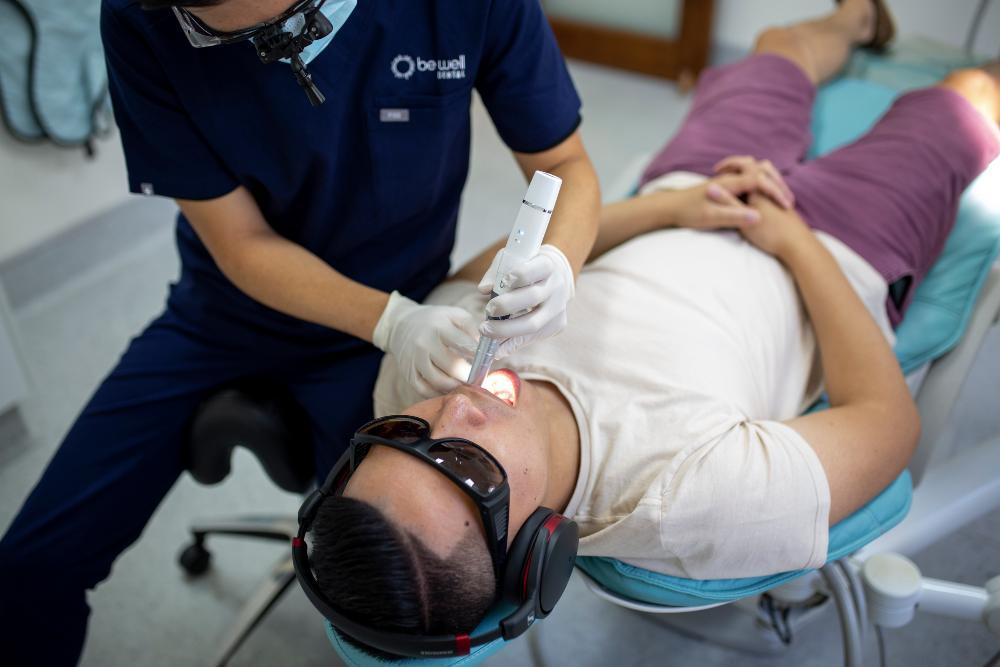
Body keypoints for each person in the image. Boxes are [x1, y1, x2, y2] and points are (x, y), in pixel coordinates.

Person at [303, 0, 1000, 657]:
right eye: (463, 462)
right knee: (966, 96)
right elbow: (886, 420)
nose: (454, 408)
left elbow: (475, 277)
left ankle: (856, 18)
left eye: (408, 433)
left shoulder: (417, 373)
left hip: (694, 189)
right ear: (532, 553)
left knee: (778, 48)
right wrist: (793, 242)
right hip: (838, 248)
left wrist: (670, 209)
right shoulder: (690, 499)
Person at [0, 0, 601, 663]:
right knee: (30, 568)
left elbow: (567, 165)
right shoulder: (142, 21)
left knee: (408, 601)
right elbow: (241, 242)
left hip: (393, 324)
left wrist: (560, 266)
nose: (266, 53)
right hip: (227, 316)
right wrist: (393, 322)